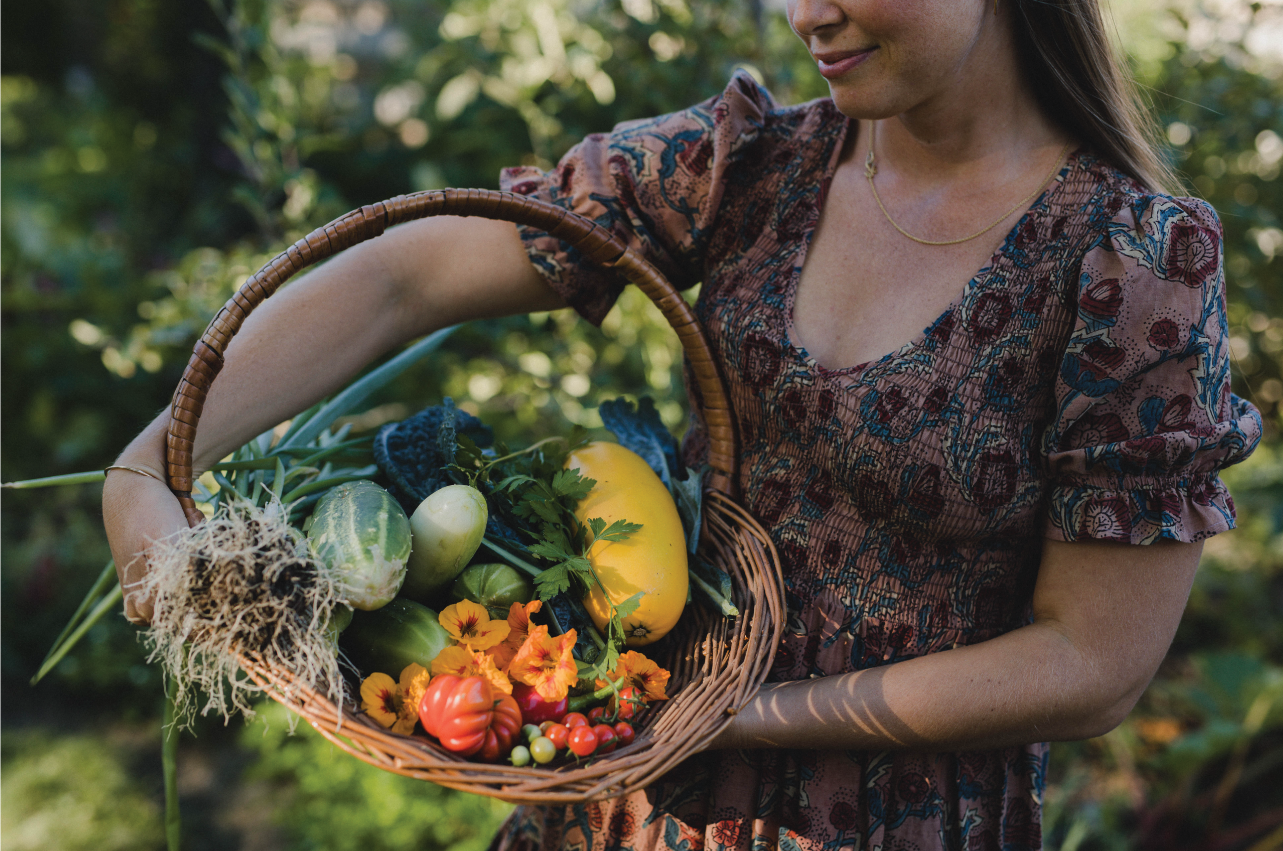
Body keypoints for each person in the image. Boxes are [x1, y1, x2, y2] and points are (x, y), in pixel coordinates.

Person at [104, 0, 1262, 848]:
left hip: (892, 815)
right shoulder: (752, 164)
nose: (807, 14)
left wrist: (736, 718)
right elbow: (405, 278)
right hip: (634, 794)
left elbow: (1092, 662)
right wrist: (147, 462)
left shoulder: (1131, 258)